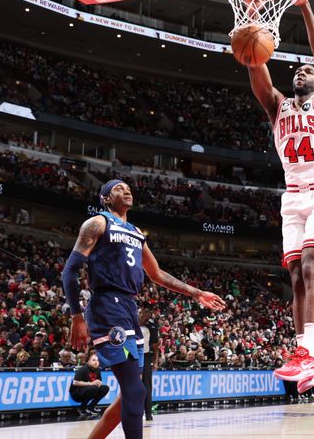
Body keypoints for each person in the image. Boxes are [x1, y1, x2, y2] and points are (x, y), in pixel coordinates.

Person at [62, 179, 226, 439]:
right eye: (118, 188)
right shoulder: (98, 223)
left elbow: (158, 274)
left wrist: (197, 293)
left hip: (128, 308)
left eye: (128, 188)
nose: (126, 190)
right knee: (136, 392)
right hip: (107, 305)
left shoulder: (136, 232)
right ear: (105, 198)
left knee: (131, 393)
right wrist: (76, 316)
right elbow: (70, 271)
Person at [247, 0, 314, 394]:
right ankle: (304, 358)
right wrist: (251, 22)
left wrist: (305, 6)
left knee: (310, 264)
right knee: (294, 275)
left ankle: (308, 349)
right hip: (293, 195)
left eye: (307, 72)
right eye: (298, 70)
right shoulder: (277, 105)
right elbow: (256, 66)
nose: (301, 72)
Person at [70, 351, 109, 417]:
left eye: (97, 360)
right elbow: (75, 382)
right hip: (76, 393)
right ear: (89, 361)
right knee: (93, 387)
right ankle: (81, 408)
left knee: (105, 388)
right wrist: (91, 383)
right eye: (93, 360)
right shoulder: (83, 369)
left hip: (89, 390)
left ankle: (91, 407)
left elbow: (98, 381)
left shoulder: (97, 370)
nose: (96, 362)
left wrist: (98, 383)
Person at [139, 308, 159, 420]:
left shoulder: (152, 326)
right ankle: (135, 411)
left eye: (145, 313)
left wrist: (155, 362)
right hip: (134, 356)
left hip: (146, 356)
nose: (142, 315)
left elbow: (156, 346)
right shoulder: (133, 323)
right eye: (141, 313)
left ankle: (148, 413)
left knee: (147, 385)